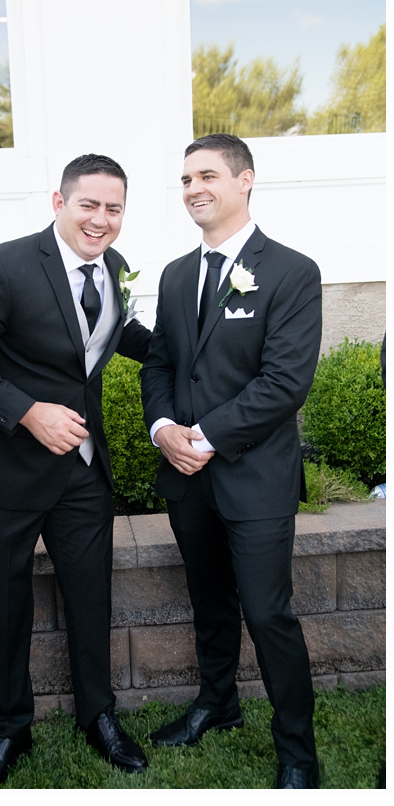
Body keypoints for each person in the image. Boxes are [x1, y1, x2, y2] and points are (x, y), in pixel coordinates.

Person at [0, 154, 152, 787]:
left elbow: (109, 336)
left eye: (113, 208)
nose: (101, 219)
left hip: (82, 471)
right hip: (5, 472)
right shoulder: (1, 264)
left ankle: (98, 715)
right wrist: (27, 412)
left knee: (92, 600)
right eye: (89, 204)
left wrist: (193, 344)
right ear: (58, 203)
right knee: (4, 608)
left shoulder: (111, 267)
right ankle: (9, 728)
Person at [141, 133, 322, 790]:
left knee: (269, 611)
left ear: (245, 180)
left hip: (254, 476)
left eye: (207, 175)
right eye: (186, 179)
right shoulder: (175, 274)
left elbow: (284, 382)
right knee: (209, 601)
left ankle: (297, 750)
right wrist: (163, 427)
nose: (193, 189)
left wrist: (206, 437)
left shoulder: (291, 271)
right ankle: (217, 704)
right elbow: (160, 360)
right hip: (188, 480)